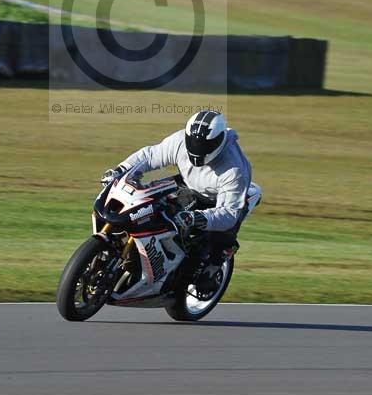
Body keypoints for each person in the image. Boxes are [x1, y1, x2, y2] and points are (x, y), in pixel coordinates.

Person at [101, 109, 258, 290]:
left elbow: (229, 213)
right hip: (186, 185)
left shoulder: (234, 169)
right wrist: (121, 170)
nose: (198, 148)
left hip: (216, 202)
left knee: (211, 244)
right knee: (143, 204)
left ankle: (215, 263)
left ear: (219, 141)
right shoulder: (180, 141)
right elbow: (150, 155)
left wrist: (196, 218)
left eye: (205, 145)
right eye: (194, 142)